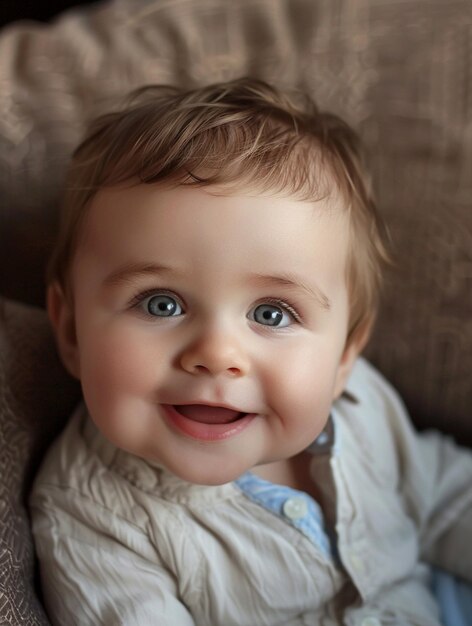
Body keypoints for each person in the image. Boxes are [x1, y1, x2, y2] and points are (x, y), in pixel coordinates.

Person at [30, 78, 472, 626]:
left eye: (272, 314)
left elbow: (444, 496)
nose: (216, 355)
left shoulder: (361, 402)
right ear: (70, 329)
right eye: (161, 304)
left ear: (343, 357)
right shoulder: (94, 521)